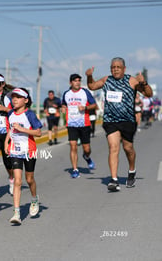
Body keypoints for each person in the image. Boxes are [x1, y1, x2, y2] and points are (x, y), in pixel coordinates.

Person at [86, 57, 153, 191]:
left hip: (127, 121)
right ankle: (114, 180)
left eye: (118, 67)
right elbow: (92, 86)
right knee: (113, 147)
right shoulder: (107, 80)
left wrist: (144, 83)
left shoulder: (132, 81)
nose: (115, 69)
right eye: (113, 67)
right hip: (110, 121)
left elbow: (148, 94)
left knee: (128, 149)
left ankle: (132, 170)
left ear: (124, 69)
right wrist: (89, 76)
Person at [4, 88, 43, 224]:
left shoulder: (30, 115)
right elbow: (10, 129)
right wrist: (6, 142)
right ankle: (16, 213)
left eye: (18, 97)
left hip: (29, 150)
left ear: (25, 100)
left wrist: (23, 130)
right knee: (18, 181)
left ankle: (34, 199)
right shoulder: (10, 114)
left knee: (29, 179)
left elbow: (38, 133)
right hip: (15, 150)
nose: (14, 99)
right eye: (13, 97)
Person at [61, 73, 97, 179]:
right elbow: (63, 103)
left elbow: (94, 105)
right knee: (73, 146)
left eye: (79, 81)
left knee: (87, 148)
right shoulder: (66, 94)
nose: (77, 83)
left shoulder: (85, 92)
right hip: (71, 124)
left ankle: (87, 157)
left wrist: (85, 108)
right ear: (70, 82)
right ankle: (75, 169)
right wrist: (63, 108)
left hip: (84, 123)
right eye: (75, 81)